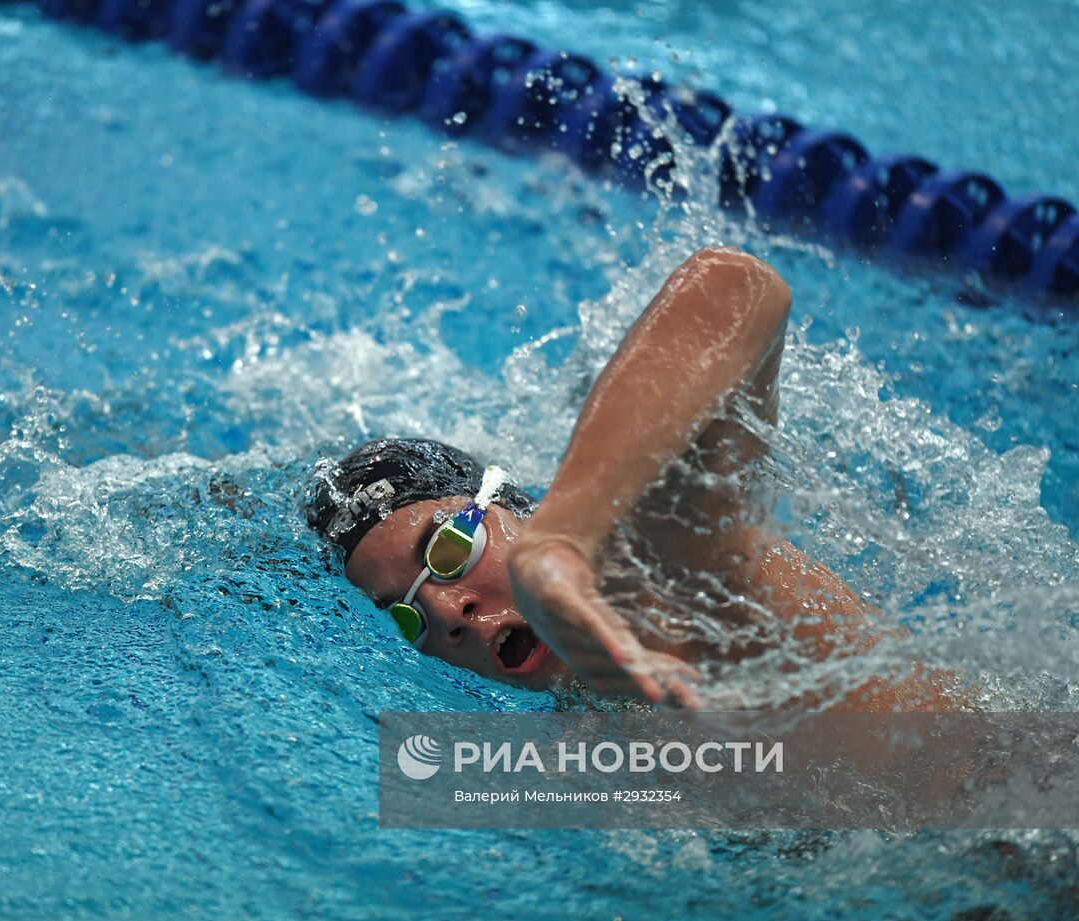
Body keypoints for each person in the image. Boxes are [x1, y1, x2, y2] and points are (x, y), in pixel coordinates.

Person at [305, 247, 965, 712]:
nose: (446, 613)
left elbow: (734, 288)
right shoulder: (592, 725)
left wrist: (557, 550)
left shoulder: (665, 570)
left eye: (447, 550)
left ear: (514, 509)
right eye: (406, 615)